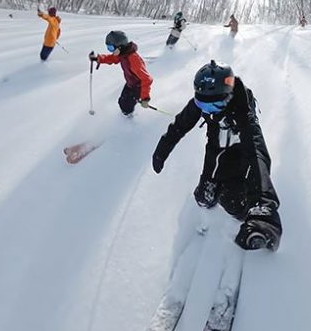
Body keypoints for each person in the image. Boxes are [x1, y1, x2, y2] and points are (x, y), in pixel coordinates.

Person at [152, 61, 282, 252]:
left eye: (214, 106)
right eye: (202, 104)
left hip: (239, 155)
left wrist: (263, 207)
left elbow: (256, 153)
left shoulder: (242, 111)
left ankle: (248, 217)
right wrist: (162, 150)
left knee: (233, 202)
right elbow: (180, 125)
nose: (208, 111)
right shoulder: (205, 98)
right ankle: (208, 211)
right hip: (214, 152)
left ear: (228, 96)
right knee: (203, 197)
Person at [89, 30, 153, 117]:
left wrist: (145, 98)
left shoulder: (133, 59)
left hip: (137, 87)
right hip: (130, 83)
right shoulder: (123, 54)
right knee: (122, 102)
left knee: (126, 107)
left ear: (120, 47)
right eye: (108, 48)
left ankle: (129, 118)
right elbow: (112, 58)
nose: (110, 51)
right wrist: (98, 58)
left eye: (111, 48)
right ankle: (127, 113)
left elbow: (146, 79)